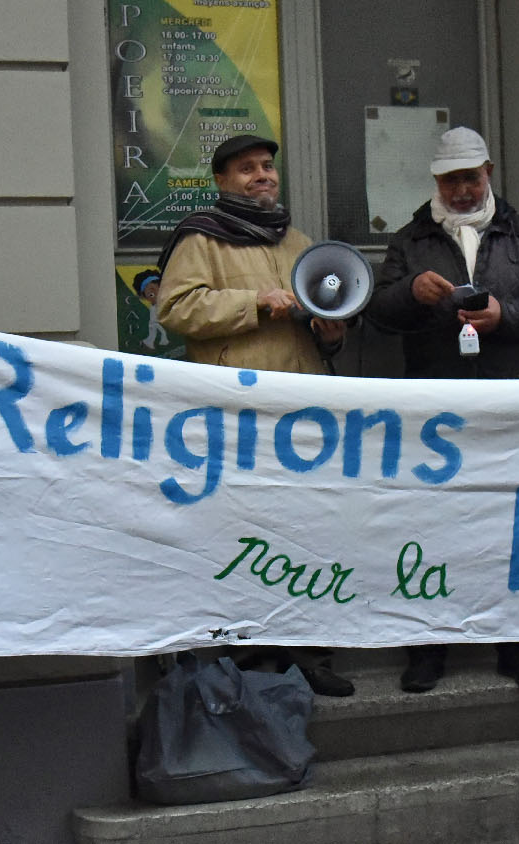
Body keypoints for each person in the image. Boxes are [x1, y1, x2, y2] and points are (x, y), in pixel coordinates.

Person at [366, 125, 519, 693]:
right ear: (436, 181)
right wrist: (411, 292)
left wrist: (504, 315)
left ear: (489, 174)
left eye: (470, 178)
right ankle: (429, 647)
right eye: (451, 180)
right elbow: (379, 314)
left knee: (512, 524)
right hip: (434, 408)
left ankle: (516, 644)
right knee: (431, 525)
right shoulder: (410, 239)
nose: (461, 190)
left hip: (507, 401)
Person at [154, 134, 353, 696]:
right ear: (222, 181)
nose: (262, 175)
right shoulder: (202, 237)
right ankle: (249, 651)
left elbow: (321, 318)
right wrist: (255, 303)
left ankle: (310, 652)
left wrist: (330, 331)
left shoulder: (300, 242)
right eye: (246, 169)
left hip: (305, 411)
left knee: (306, 529)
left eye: (267, 166)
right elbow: (175, 308)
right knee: (245, 532)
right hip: (238, 412)